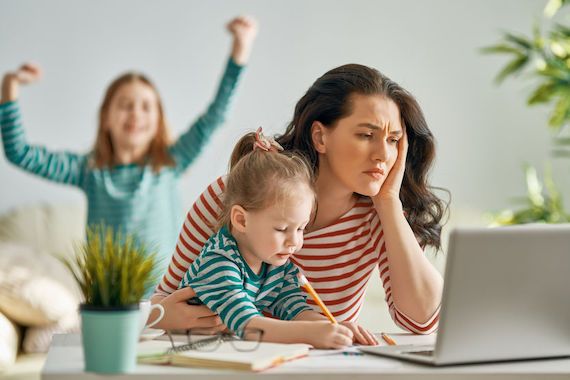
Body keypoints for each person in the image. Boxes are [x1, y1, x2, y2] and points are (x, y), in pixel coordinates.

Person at [151, 63, 447, 338]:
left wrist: (389, 203)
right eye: (366, 135)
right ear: (320, 137)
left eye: (393, 140)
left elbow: (421, 321)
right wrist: (163, 316)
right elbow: (162, 301)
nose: (383, 154)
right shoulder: (232, 195)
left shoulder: (379, 214)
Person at [0, 16, 258, 284]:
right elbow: (19, 153)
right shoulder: (89, 171)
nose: (136, 113)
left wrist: (240, 49)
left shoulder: (170, 161)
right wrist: (10, 86)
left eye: (146, 106)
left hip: (167, 295)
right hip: (111, 300)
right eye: (125, 104)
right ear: (106, 118)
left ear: (158, 120)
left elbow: (215, 116)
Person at [178, 128, 376, 348]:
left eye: (301, 229)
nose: (295, 242)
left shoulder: (274, 265)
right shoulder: (218, 263)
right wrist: (310, 334)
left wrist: (333, 326)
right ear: (241, 220)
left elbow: (295, 310)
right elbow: (248, 326)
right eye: (282, 229)